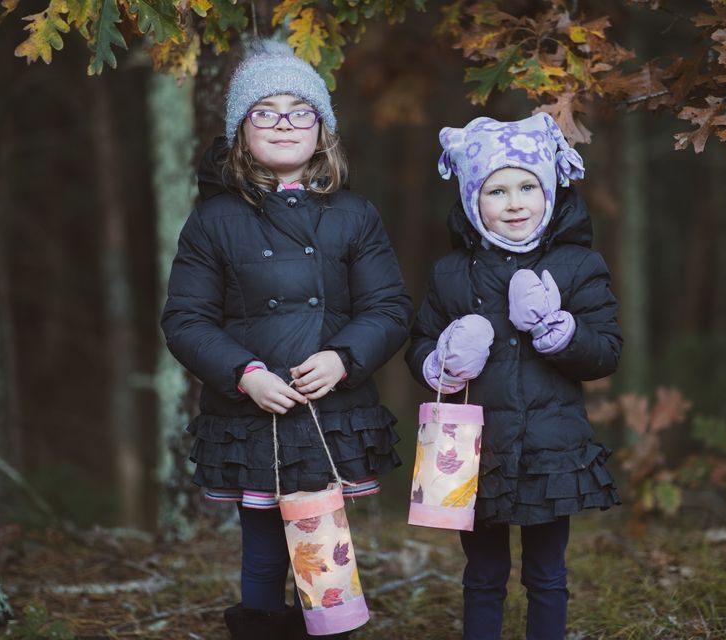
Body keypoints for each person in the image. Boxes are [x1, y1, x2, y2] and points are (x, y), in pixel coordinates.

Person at [161, 39, 413, 640]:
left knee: (321, 540)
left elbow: (390, 306)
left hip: (331, 409)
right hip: (252, 412)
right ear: (240, 131)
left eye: (299, 111)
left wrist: (343, 357)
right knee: (263, 546)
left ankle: (327, 629)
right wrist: (244, 373)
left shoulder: (355, 214)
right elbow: (186, 320)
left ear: (321, 129)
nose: (282, 124)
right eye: (264, 111)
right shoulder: (213, 219)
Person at [405, 113, 622, 640]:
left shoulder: (576, 265)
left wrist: (559, 332)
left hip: (551, 449)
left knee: (547, 574)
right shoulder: (450, 273)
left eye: (528, 186)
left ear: (549, 189)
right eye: (496, 191)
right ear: (472, 201)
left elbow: (607, 351)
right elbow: (419, 346)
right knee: (483, 575)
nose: (515, 202)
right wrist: (444, 361)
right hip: (474, 452)